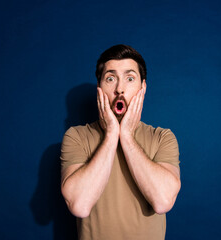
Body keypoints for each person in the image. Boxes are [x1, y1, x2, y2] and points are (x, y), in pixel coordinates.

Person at [60, 44, 181, 240]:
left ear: (143, 88)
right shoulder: (77, 137)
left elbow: (163, 202)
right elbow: (79, 206)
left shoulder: (162, 137)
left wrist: (126, 136)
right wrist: (110, 135)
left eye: (130, 78)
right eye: (110, 78)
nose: (119, 89)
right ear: (99, 88)